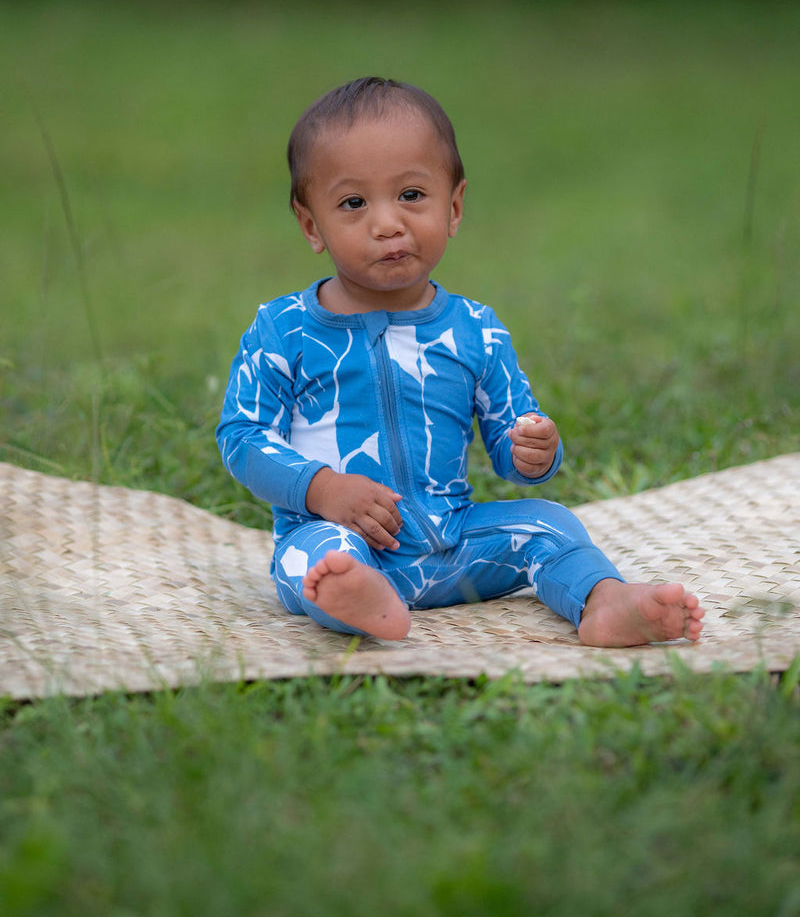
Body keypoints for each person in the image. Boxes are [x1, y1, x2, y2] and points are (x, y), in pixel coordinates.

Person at [216, 77, 704, 647]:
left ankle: (603, 600)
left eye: (412, 196)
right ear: (310, 225)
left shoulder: (476, 330)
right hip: (335, 531)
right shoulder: (284, 330)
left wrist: (534, 448)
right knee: (316, 563)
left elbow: (511, 439)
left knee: (549, 522)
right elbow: (243, 436)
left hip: (453, 542)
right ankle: (361, 597)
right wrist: (324, 490)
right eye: (353, 203)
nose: (387, 223)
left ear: (454, 207)